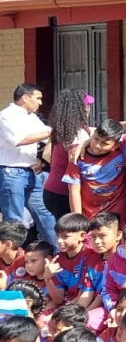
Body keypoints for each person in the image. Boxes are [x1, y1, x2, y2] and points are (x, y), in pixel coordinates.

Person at [0, 84, 50, 238]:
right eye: (38, 98)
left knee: (44, 213)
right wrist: (51, 132)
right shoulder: (6, 115)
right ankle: (12, 259)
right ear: (25, 97)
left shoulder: (31, 117)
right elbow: (19, 139)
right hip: (11, 172)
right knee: (14, 220)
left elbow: (47, 134)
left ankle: (54, 252)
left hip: (30, 172)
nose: (40, 103)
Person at [43, 89, 92, 221]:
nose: (88, 109)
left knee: (63, 234)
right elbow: (73, 173)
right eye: (86, 106)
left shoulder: (63, 129)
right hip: (65, 192)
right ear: (78, 109)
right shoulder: (77, 134)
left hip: (52, 189)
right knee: (71, 232)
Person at [63, 120, 126, 219]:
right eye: (95, 139)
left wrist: (85, 143)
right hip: (90, 215)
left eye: (104, 143)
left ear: (116, 145)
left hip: (117, 215)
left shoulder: (122, 152)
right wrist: (78, 218)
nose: (97, 145)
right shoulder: (77, 158)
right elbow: (74, 191)